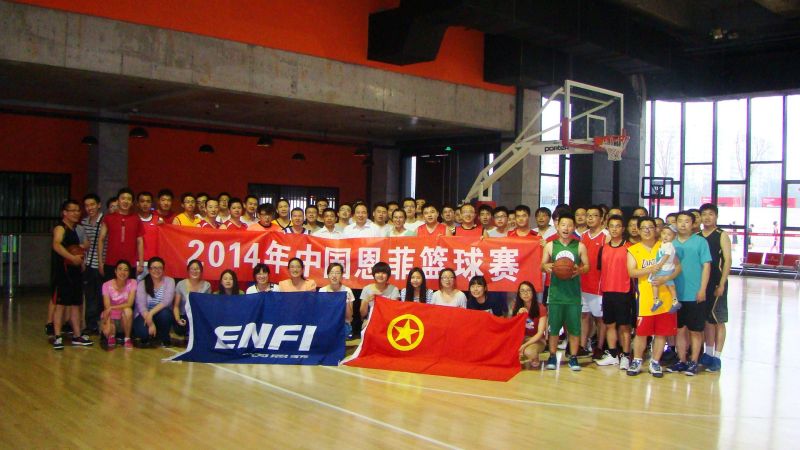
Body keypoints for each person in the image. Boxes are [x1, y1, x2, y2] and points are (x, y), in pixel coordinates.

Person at [626, 217, 678, 377]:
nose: (647, 230)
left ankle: (655, 362)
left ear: (656, 229)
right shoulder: (633, 250)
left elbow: (678, 267)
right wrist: (650, 269)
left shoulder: (665, 245)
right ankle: (637, 360)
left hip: (666, 297)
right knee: (641, 332)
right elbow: (631, 272)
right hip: (645, 298)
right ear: (638, 230)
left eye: (650, 227)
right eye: (644, 227)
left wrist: (666, 278)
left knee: (661, 333)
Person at [542, 213, 589, 371]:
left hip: (573, 295)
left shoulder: (580, 246)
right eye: (563, 225)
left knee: (574, 329)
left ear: (574, 227)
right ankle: (552, 356)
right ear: (557, 226)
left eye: (569, 225)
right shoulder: (550, 245)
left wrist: (579, 270)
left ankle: (573, 357)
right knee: (554, 328)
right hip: (555, 294)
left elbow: (587, 266)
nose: (566, 228)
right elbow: (542, 265)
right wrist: (546, 266)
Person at [667, 211, 711, 376]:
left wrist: (702, 289)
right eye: (680, 221)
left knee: (695, 330)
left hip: (694, 294)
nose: (683, 224)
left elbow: (706, 266)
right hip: (675, 295)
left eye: (687, 221)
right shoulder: (670, 244)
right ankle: (681, 360)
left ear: (693, 224)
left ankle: (694, 361)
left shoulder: (700, 242)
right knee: (679, 330)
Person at [51, 200, 93, 349]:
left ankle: (77, 335)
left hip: (75, 272)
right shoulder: (60, 228)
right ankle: (57, 336)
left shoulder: (75, 229)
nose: (76, 213)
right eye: (73, 210)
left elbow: (79, 248)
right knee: (61, 305)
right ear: (65, 212)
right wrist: (71, 257)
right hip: (63, 273)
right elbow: (56, 244)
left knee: (76, 304)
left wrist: (79, 261)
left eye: (78, 210)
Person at [594, 215, 634, 369]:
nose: (615, 229)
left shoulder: (630, 248)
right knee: (610, 324)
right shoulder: (603, 248)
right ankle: (612, 355)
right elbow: (601, 270)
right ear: (608, 228)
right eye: (612, 226)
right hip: (607, 292)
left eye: (618, 226)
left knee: (624, 327)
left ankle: (625, 356)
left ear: (623, 229)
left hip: (624, 292)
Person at [698, 203, 732, 373]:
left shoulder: (721, 235)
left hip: (717, 282)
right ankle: (709, 353)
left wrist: (722, 283)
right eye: (704, 214)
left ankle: (717, 357)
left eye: (710, 214)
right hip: (702, 283)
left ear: (716, 216)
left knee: (718, 319)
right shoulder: (697, 236)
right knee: (707, 319)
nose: (707, 217)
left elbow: (728, 260)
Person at [579, 205, 610, 359]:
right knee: (584, 316)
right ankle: (582, 345)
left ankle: (599, 346)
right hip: (583, 283)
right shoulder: (583, 236)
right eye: (588, 215)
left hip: (599, 285)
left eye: (594, 215)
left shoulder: (606, 236)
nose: (590, 218)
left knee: (600, 318)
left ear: (601, 218)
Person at [97, 187, 144, 281]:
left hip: (130, 264)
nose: (126, 201)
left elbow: (140, 241)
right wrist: (100, 262)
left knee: (129, 289)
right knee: (110, 288)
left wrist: (141, 263)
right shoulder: (108, 218)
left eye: (129, 199)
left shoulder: (136, 219)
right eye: (123, 198)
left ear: (132, 203)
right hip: (111, 262)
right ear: (118, 201)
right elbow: (101, 239)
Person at [78, 193, 105, 336]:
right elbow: (84, 243)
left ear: (99, 205)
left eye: (92, 204)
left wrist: (102, 263)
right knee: (89, 296)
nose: (90, 208)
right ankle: (90, 325)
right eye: (87, 205)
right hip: (88, 264)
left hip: (101, 264)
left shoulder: (105, 221)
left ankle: (101, 324)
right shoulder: (84, 222)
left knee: (101, 296)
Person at [133, 257, 175, 347]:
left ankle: (164, 338)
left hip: (160, 313)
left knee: (166, 314)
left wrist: (151, 313)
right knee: (142, 333)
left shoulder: (170, 281)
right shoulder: (142, 283)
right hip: (144, 314)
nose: (157, 270)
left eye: (160, 268)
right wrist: (150, 322)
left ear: (163, 269)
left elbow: (167, 301)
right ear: (149, 270)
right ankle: (149, 335)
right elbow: (141, 306)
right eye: (154, 268)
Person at [100, 260, 136, 349]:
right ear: (115, 271)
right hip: (111, 317)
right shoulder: (106, 285)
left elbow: (130, 303)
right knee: (108, 329)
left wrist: (112, 307)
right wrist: (107, 323)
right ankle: (111, 336)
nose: (122, 272)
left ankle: (127, 338)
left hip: (124, 318)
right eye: (120, 269)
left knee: (128, 310)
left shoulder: (133, 282)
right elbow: (107, 307)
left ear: (129, 272)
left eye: (126, 270)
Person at [173, 259, 211, 338]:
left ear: (201, 271)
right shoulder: (181, 284)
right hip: (184, 315)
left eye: (197, 269)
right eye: (192, 269)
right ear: (188, 270)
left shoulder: (207, 285)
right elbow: (176, 306)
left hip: (199, 316)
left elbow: (207, 306)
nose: (195, 271)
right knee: (179, 329)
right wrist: (178, 319)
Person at [514, 281, 547, 368]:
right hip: (521, 339)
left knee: (529, 352)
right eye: (522, 291)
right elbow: (513, 330)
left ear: (533, 293)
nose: (525, 293)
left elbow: (540, 333)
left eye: (528, 290)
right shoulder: (516, 307)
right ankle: (522, 355)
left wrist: (524, 345)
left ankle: (533, 356)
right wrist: (518, 315)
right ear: (519, 294)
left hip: (537, 340)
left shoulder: (541, 308)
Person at [319, 262, 355, 339]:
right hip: (326, 324)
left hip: (343, 325)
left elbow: (349, 317)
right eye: (331, 273)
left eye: (337, 273)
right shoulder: (322, 291)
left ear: (342, 275)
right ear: (328, 275)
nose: (334, 275)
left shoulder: (347, 290)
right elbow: (320, 314)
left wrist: (346, 301)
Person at [649, 224, 680, 312]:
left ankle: (656, 301)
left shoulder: (669, 245)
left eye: (669, 234)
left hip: (665, 268)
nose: (666, 236)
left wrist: (659, 265)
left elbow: (666, 256)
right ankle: (675, 301)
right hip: (667, 268)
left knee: (654, 282)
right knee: (670, 285)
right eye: (664, 233)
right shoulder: (663, 244)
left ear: (674, 237)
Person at [137, 191, 161, 280]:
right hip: (137, 263)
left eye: (148, 201)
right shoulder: (133, 220)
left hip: (154, 264)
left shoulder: (158, 220)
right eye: (142, 201)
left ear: (151, 204)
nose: (145, 204)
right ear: (137, 204)